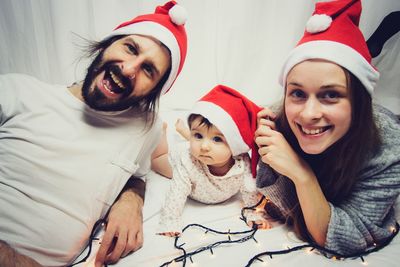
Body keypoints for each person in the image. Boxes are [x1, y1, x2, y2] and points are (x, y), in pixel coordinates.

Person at [0, 1, 188, 266]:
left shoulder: (146, 127)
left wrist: (131, 199)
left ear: (154, 92)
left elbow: (137, 173)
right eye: (130, 48)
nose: (128, 68)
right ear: (107, 43)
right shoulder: (15, 91)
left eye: (148, 69)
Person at [255, 0, 400, 256]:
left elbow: (347, 238)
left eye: (331, 94)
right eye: (297, 92)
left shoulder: (389, 150)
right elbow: (278, 203)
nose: (308, 114)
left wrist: (301, 174)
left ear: (359, 102)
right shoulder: (280, 118)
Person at [157, 85, 269, 237]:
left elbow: (249, 190)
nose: (204, 146)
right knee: (157, 160)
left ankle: (186, 133)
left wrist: (253, 213)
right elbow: (176, 193)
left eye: (217, 139)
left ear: (235, 145)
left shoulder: (242, 163)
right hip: (184, 158)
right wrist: (170, 221)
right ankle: (161, 132)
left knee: (199, 146)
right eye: (197, 135)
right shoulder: (187, 162)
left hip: (195, 154)